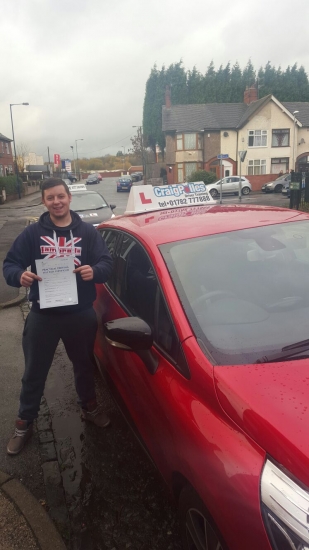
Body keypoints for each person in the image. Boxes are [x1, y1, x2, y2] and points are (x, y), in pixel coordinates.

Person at [3, 178, 113, 455]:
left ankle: (88, 406)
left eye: (60, 196)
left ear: (69, 198)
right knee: (34, 372)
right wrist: (19, 275)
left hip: (80, 314)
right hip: (44, 315)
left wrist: (95, 271)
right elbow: (10, 265)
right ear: (44, 201)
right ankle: (24, 423)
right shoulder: (32, 234)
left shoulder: (87, 232)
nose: (57, 202)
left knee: (84, 366)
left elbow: (107, 263)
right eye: (50, 198)